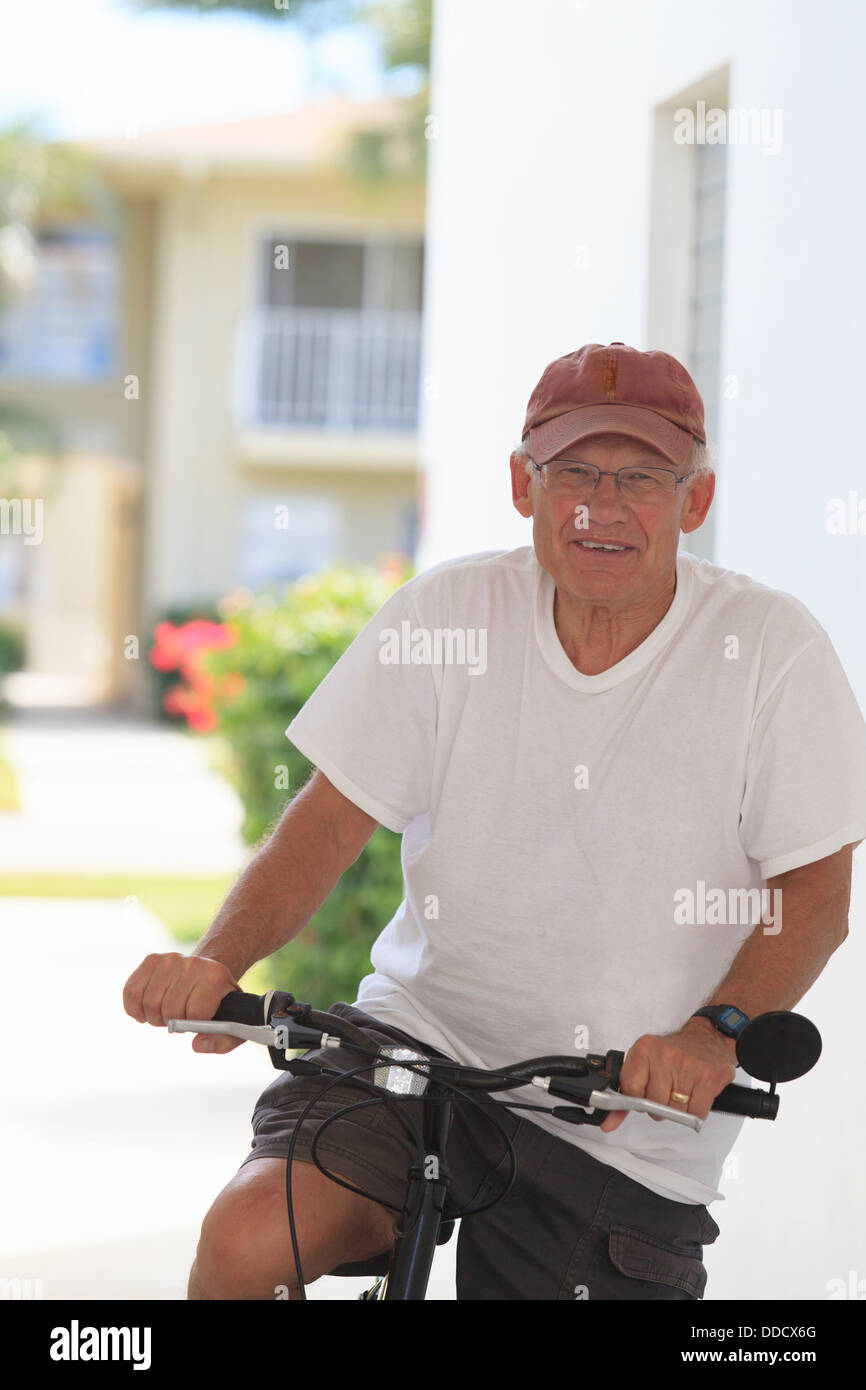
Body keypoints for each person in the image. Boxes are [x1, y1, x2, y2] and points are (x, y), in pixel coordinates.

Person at [123, 341, 866, 1301]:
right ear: (524, 485)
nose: (604, 506)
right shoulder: (450, 614)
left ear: (696, 500)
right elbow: (327, 825)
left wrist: (713, 1033)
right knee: (248, 1242)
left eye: (641, 477)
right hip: (413, 1055)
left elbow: (813, 897)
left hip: (623, 1125)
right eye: (575, 474)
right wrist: (218, 960)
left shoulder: (772, 650)